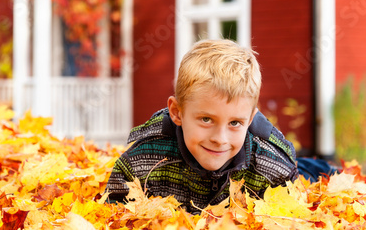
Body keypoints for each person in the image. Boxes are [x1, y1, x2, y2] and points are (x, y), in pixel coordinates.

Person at [105, 39, 328, 214]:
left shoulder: (274, 166)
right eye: (206, 120)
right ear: (177, 112)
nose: (219, 138)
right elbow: (114, 211)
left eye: (234, 123)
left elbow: (291, 214)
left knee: (318, 171)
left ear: (250, 119)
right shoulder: (142, 159)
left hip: (290, 165)